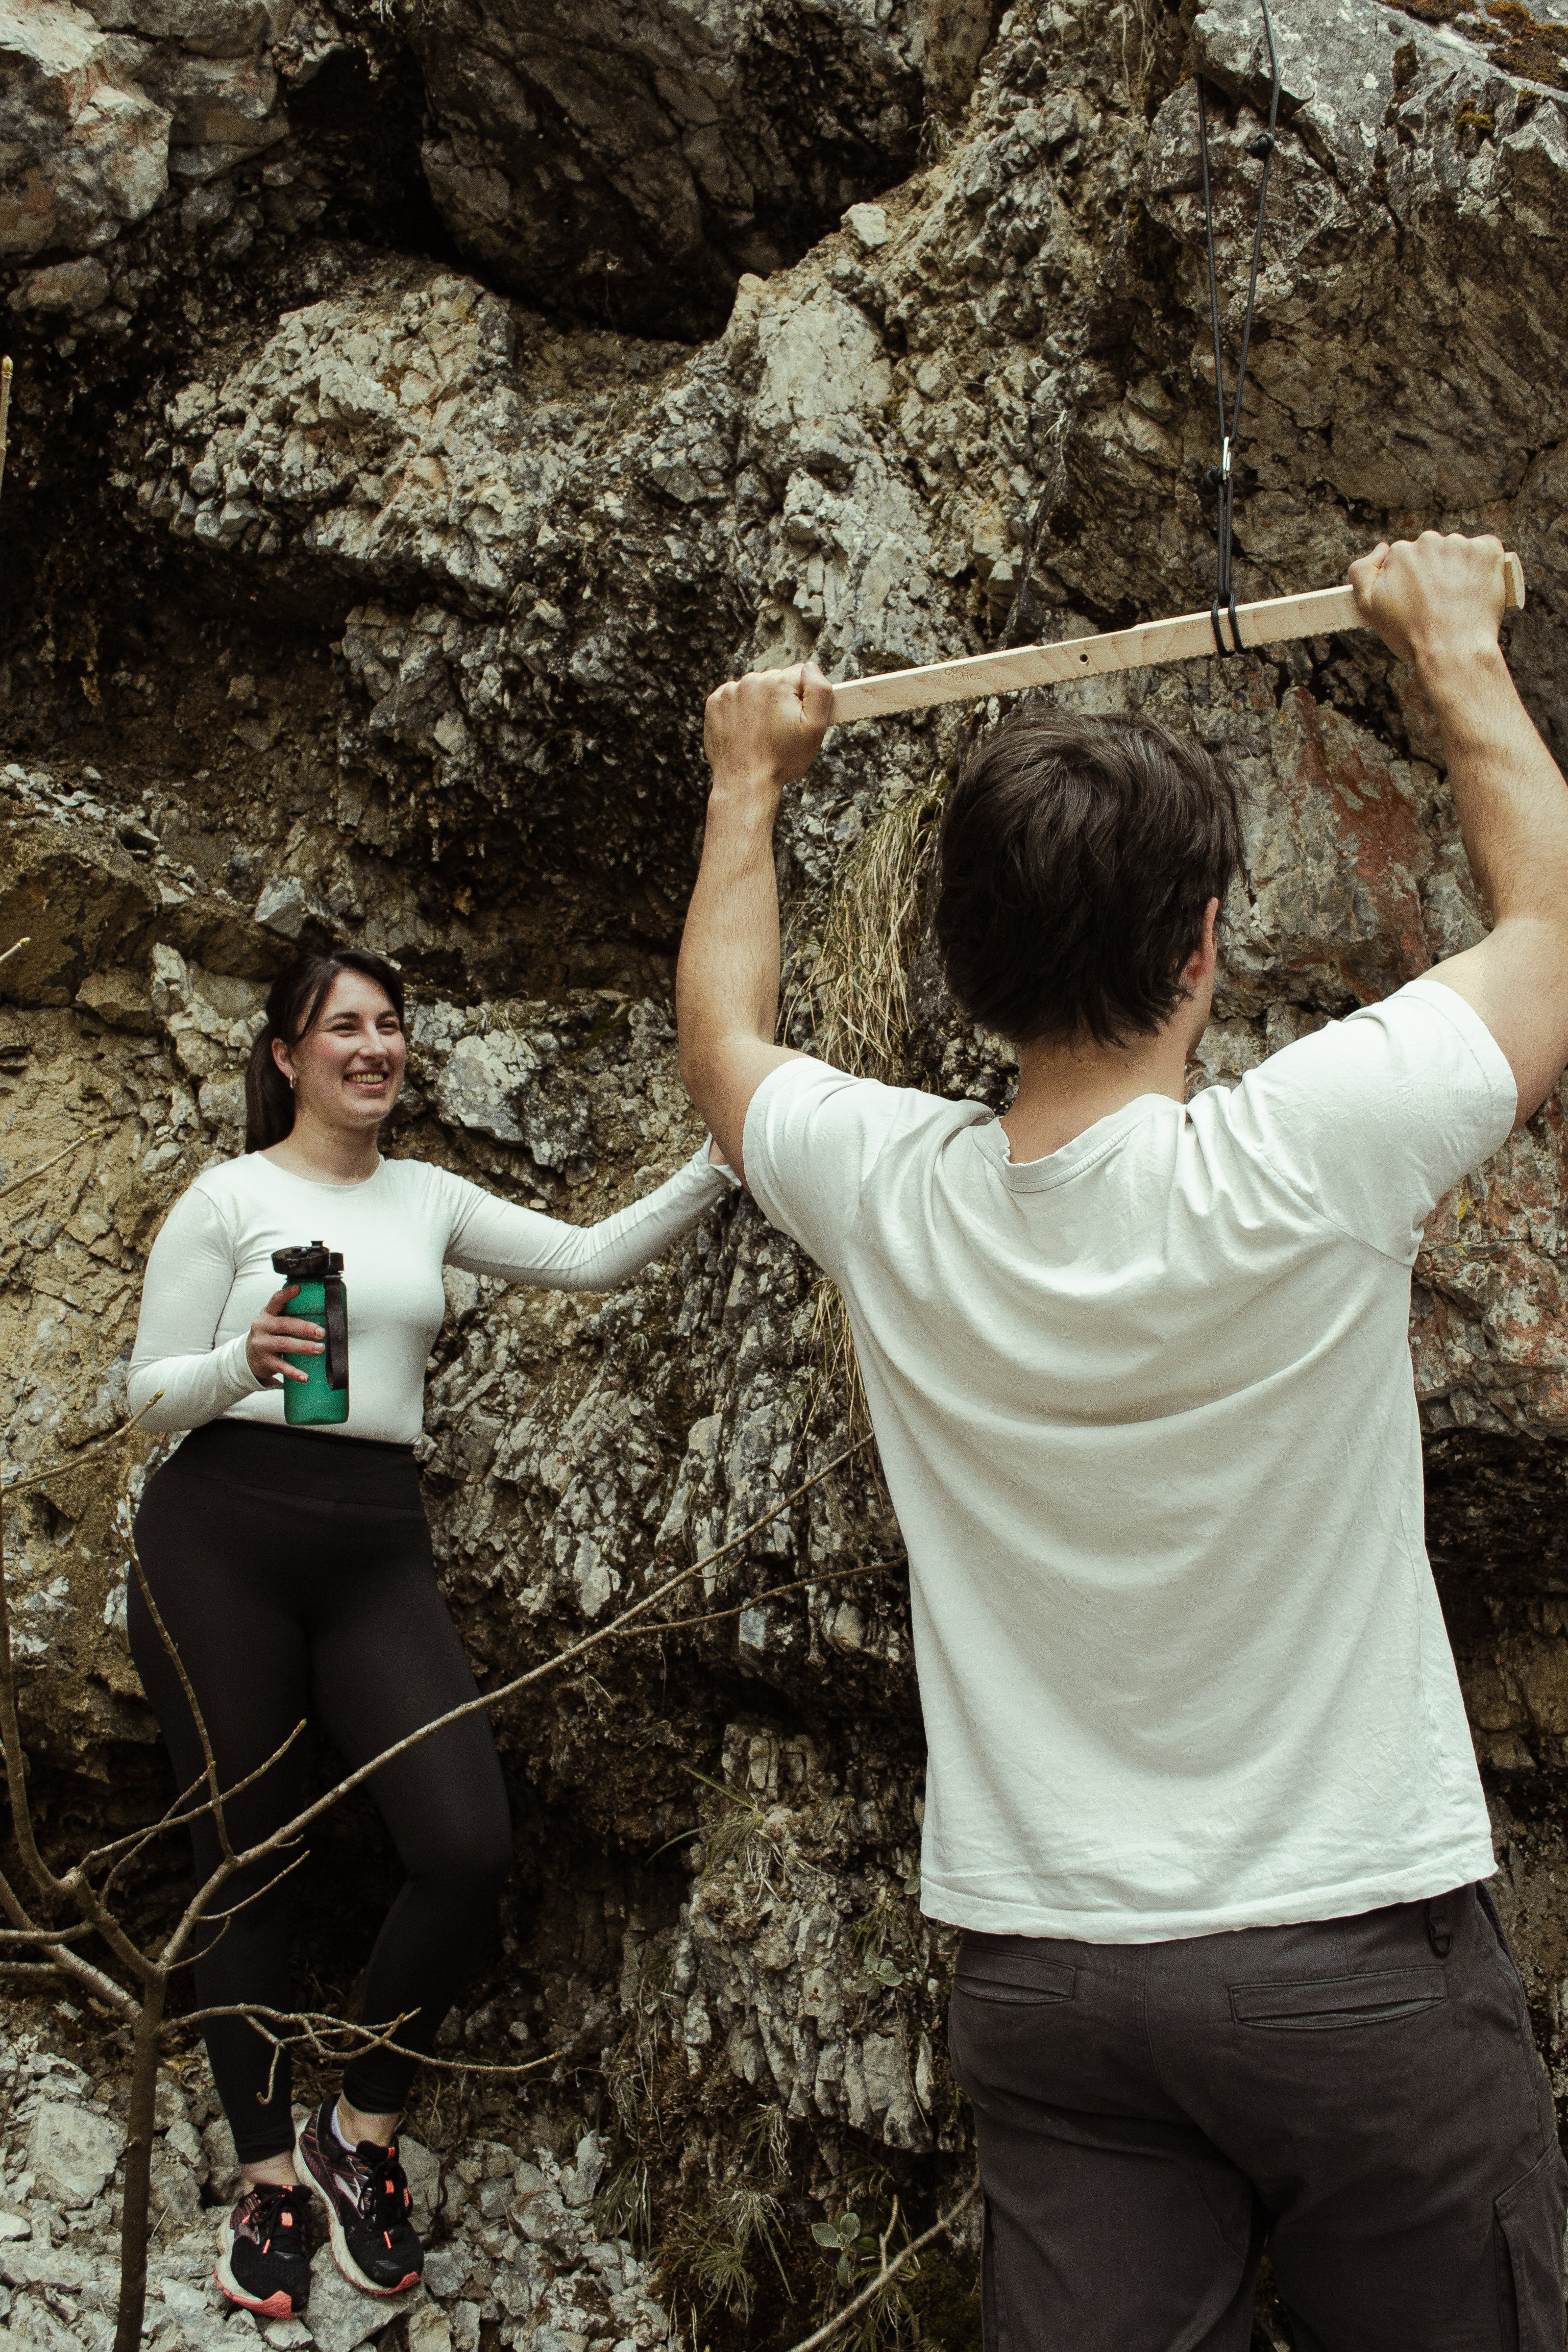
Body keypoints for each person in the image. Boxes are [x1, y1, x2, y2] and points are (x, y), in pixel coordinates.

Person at [674, 531, 1568, 2349]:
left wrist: (746, 781)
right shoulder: (1305, 1159)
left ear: (961, 963)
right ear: (1204, 947)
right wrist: (1454, 647)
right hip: (1347, 1958)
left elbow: (721, 1036)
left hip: (1051, 1980)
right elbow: (1553, 927)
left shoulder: (892, 1198)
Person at [127, 949, 733, 2322]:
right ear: (287, 1055)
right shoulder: (228, 1200)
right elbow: (144, 1396)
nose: (374, 1045)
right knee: (251, 1859)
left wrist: (720, 1162)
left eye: (390, 1024)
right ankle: (269, 2176)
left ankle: (362, 2132)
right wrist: (244, 1364)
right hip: (218, 1536)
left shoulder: (426, 1197)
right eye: (343, 1025)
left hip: (373, 1548)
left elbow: (585, 1258)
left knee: (466, 1844)